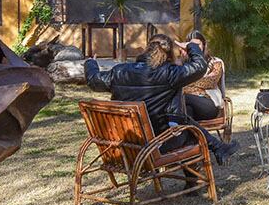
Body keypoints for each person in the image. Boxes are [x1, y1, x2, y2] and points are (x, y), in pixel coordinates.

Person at [85, 33, 238, 165]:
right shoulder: (169, 73)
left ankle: (218, 147)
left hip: (126, 143)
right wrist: (191, 46)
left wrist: (90, 62)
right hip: (158, 143)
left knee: (182, 118)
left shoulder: (119, 72)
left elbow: (93, 80)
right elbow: (199, 67)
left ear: (147, 50)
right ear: (169, 53)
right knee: (187, 130)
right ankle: (194, 181)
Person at [182, 30, 224, 122]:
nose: (195, 48)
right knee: (187, 112)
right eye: (191, 45)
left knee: (182, 97)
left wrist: (186, 84)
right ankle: (192, 135)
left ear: (204, 45)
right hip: (189, 106)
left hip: (208, 104)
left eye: (198, 45)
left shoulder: (215, 62)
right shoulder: (183, 64)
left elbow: (210, 82)